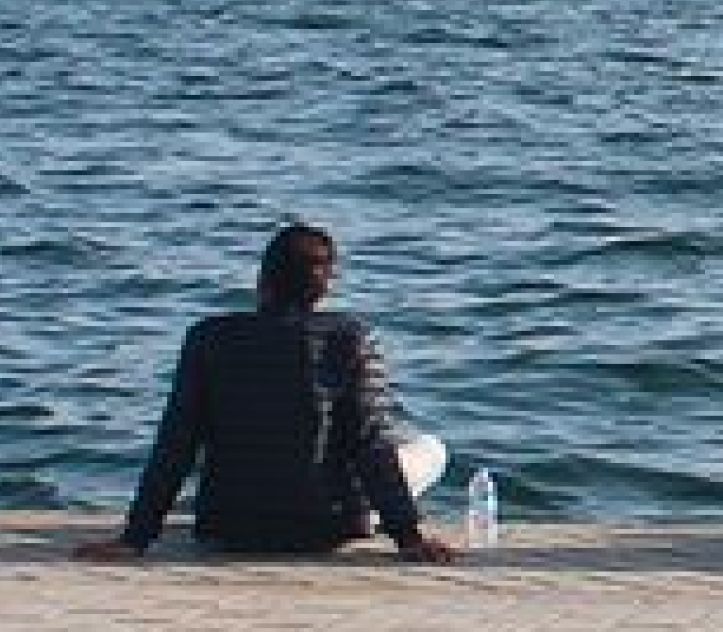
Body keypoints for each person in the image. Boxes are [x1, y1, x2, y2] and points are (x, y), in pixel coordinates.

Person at [77, 221, 460, 564]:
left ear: (262, 280)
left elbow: (176, 443)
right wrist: (408, 538)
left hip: (229, 526)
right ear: (324, 288)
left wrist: (136, 538)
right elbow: (370, 446)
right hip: (325, 527)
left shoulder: (208, 337)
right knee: (428, 448)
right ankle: (390, 520)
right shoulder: (348, 338)